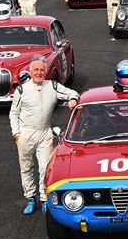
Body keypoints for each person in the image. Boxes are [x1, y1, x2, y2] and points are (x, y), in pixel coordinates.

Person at [10, 55, 79, 214]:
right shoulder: (21, 89)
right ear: (30, 71)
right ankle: (30, 198)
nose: (39, 72)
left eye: (42, 69)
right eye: (36, 69)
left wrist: (73, 99)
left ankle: (44, 198)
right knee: (26, 167)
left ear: (46, 71)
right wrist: (16, 134)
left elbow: (71, 93)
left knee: (45, 168)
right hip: (26, 133)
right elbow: (13, 113)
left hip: (45, 133)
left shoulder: (53, 86)